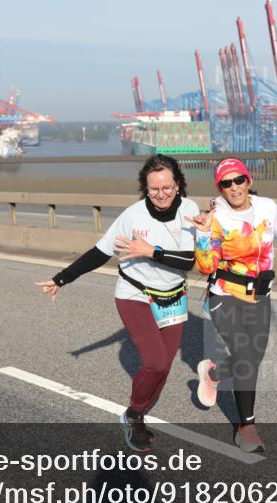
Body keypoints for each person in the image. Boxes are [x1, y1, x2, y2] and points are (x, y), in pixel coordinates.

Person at [36, 154, 199, 452]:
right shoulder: (133, 217)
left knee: (164, 368)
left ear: (178, 185)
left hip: (173, 296)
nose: (161, 194)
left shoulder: (189, 210)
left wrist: (151, 251)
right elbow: (100, 253)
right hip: (134, 293)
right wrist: (61, 278)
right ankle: (134, 415)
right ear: (145, 189)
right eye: (154, 189)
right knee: (155, 362)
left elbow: (189, 261)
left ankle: (140, 410)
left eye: (167, 187)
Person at [186, 158, 277, 453]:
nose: (234, 187)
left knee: (252, 358)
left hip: (260, 296)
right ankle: (247, 427)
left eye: (238, 180)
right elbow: (205, 267)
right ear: (220, 187)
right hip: (224, 296)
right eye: (226, 183)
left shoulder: (267, 208)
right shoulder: (214, 218)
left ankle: (213, 374)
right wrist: (202, 235)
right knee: (245, 357)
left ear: (248, 180)